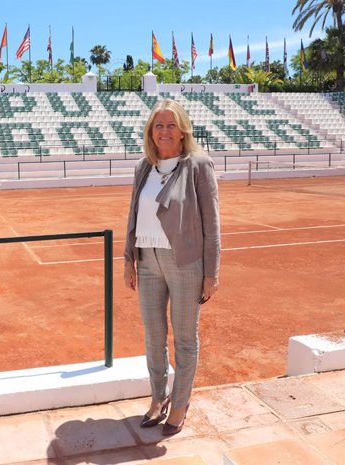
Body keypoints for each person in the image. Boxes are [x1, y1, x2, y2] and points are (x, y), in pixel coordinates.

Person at [123, 99, 220, 438]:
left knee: (184, 339)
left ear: (182, 131)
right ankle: (158, 397)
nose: (164, 131)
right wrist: (129, 261)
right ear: (151, 131)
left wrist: (211, 273)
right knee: (153, 336)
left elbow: (211, 223)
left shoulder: (198, 164)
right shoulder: (143, 167)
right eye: (158, 125)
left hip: (186, 263)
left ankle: (179, 404)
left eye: (171, 125)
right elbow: (133, 215)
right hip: (148, 260)